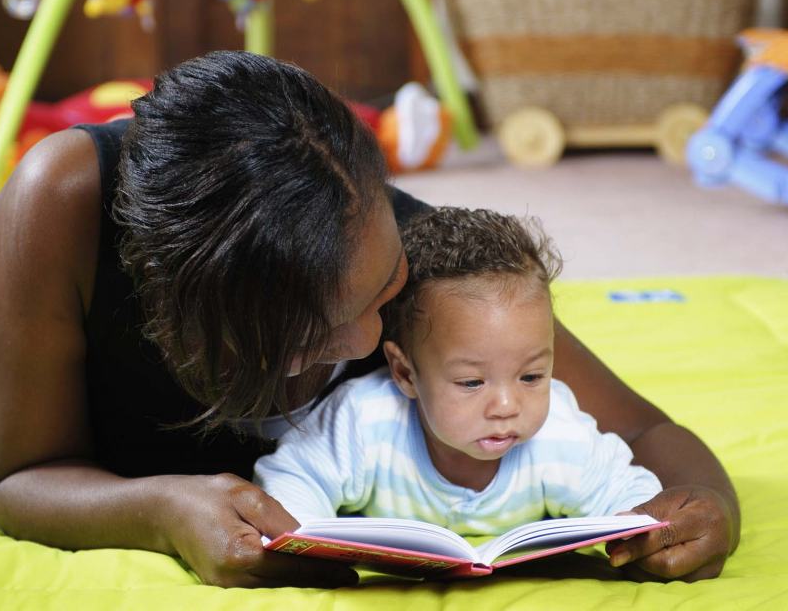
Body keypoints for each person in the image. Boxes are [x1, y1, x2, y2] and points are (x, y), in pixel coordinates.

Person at [0, 50, 739, 589]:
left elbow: (641, 433)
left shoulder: (411, 257)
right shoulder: (59, 208)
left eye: (381, 294)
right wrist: (160, 508)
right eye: (310, 337)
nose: (369, 342)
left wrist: (709, 509)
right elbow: (14, 476)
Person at [255, 207, 663, 539]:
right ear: (405, 373)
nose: (506, 405)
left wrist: (637, 533)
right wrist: (309, 542)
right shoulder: (364, 421)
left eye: (532, 377)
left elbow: (630, 491)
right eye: (472, 382)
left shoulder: (559, 433)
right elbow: (292, 479)